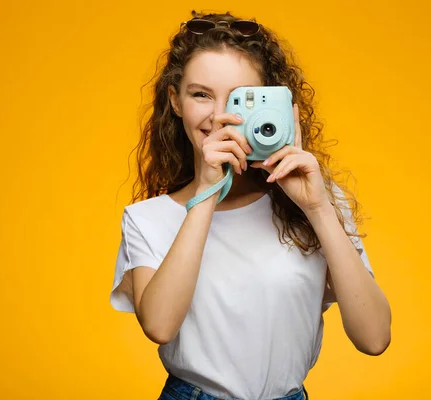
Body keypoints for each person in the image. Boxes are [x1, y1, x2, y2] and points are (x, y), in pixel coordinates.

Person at [110, 10, 391, 400]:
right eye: (201, 94)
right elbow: (159, 326)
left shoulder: (317, 202)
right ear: (175, 101)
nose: (221, 116)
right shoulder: (149, 219)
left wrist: (319, 209)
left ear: (275, 104)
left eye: (241, 97)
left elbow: (375, 338)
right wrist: (207, 192)